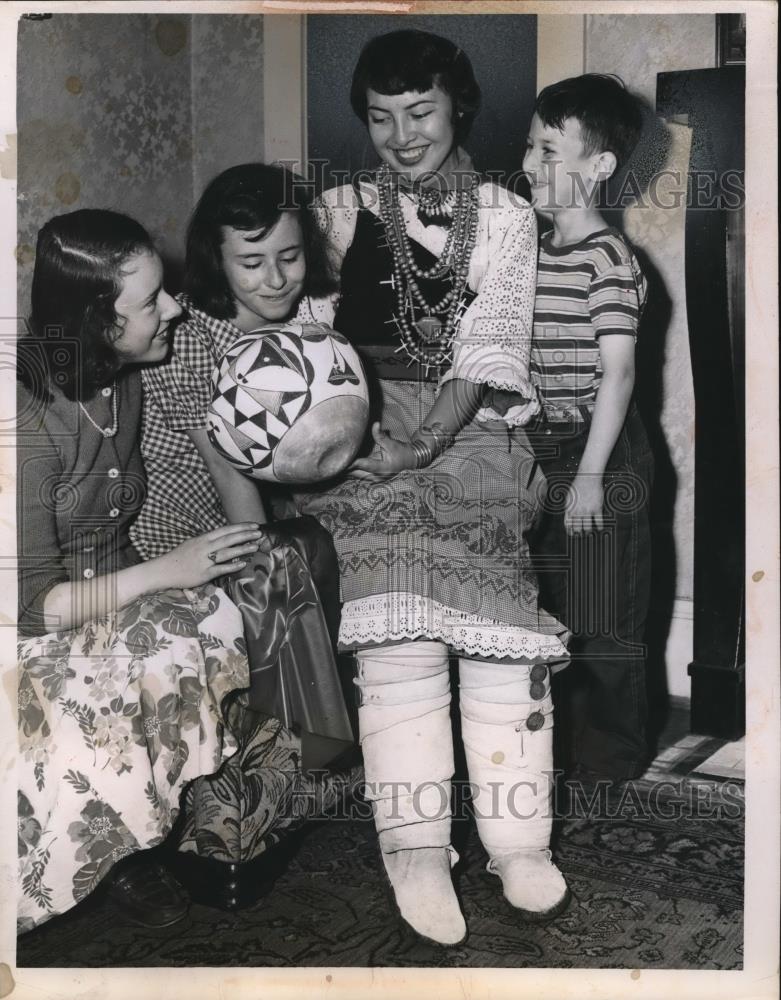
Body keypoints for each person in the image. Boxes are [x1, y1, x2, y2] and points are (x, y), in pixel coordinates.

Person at [293, 29, 571, 947]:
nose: (402, 135)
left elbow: (491, 343)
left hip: (473, 429)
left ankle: (517, 840)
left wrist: (425, 444)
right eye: (380, 118)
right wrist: (338, 432)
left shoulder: (506, 213)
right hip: (362, 432)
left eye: (420, 113)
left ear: (458, 108)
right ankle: (413, 849)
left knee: (497, 629)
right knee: (397, 628)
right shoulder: (334, 210)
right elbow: (299, 334)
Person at [16, 209, 262, 931]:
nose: (174, 307)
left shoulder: (120, 380)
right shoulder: (23, 418)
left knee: (213, 616)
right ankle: (96, 854)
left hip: (99, 599)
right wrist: (168, 570)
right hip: (25, 622)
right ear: (97, 323)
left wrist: (183, 575)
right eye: (151, 301)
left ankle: (129, 842)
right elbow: (29, 606)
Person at [133, 163, 352, 869]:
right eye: (250, 263)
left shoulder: (306, 323)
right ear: (215, 261)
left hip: (241, 514)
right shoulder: (194, 339)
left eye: (288, 257)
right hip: (173, 531)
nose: (274, 278)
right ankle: (280, 782)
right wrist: (276, 561)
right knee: (292, 562)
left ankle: (307, 764)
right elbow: (233, 479)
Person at [523, 74, 654, 783]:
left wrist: (592, 479)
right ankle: (554, 754)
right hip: (541, 445)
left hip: (601, 452)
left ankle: (610, 770)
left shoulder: (607, 258)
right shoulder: (532, 252)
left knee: (603, 616)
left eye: (548, 149)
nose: (529, 164)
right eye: (528, 146)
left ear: (598, 166)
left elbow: (619, 374)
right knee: (548, 609)